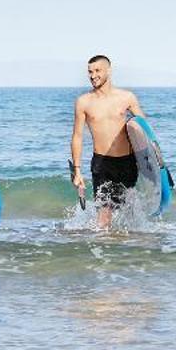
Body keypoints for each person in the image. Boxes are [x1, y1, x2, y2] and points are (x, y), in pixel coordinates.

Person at [69, 54, 146, 226]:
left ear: (108, 71)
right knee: (104, 214)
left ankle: (129, 249)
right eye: (90, 71)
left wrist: (152, 161)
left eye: (97, 71)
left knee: (129, 210)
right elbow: (77, 136)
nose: (92, 75)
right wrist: (77, 171)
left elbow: (143, 127)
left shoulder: (126, 97)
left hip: (127, 162)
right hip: (101, 163)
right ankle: (104, 248)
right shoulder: (83, 102)